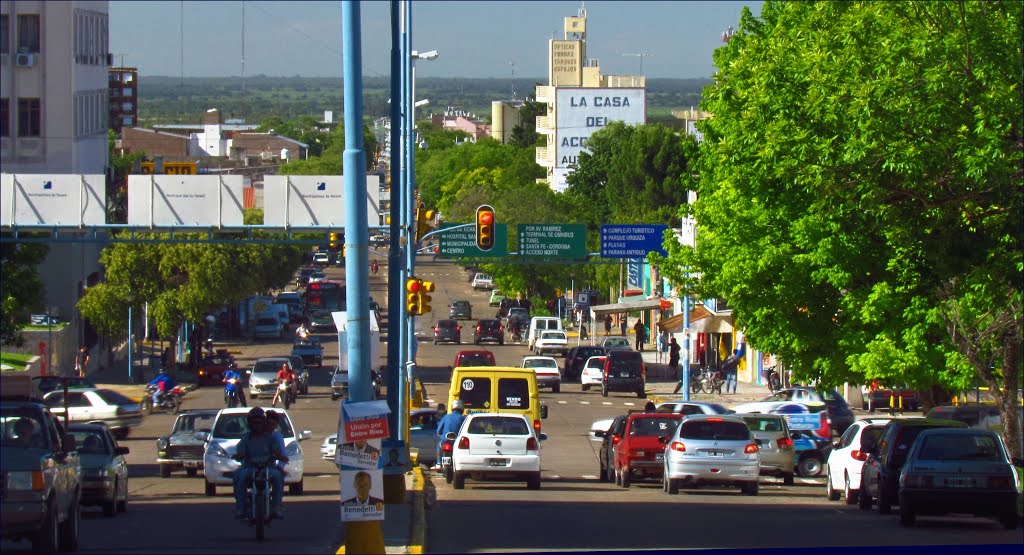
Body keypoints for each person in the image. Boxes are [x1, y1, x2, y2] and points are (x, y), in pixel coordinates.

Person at [232, 408, 286, 519]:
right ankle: (241, 507)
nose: (257, 425)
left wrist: (280, 456)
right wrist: (239, 455)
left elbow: (277, 451)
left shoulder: (270, 438)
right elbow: (240, 449)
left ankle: (276, 507)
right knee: (239, 475)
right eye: (254, 422)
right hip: (250, 468)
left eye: (259, 422)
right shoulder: (246, 438)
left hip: (267, 468)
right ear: (249, 423)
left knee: (278, 476)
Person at [433, 400, 466, 470]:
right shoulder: (463, 418)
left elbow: (439, 430)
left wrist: (439, 433)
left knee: (439, 446)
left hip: (445, 440)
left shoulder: (446, 417)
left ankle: (438, 463)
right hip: (457, 441)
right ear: (462, 408)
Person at [264, 410, 289, 477]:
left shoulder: (277, 436)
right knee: (240, 474)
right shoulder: (253, 435)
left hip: (270, 468)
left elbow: (282, 454)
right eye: (268, 423)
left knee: (278, 477)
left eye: (273, 424)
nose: (270, 426)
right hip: (252, 468)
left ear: (276, 426)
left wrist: (280, 467)